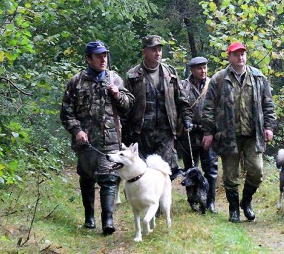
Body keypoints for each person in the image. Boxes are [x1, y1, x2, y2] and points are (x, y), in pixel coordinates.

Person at [60, 41, 135, 234]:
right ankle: (89, 217)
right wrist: (77, 131)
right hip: (85, 142)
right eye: (99, 56)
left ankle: (108, 221)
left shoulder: (114, 78)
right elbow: (66, 112)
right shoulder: (76, 82)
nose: (103, 59)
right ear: (88, 59)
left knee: (109, 179)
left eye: (105, 55)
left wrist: (118, 95)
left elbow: (129, 105)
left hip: (110, 139)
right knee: (87, 179)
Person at [201, 42, 276, 223]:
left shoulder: (258, 77)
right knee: (230, 175)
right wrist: (208, 131)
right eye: (236, 54)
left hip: (253, 133)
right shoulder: (219, 79)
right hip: (228, 135)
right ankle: (233, 209)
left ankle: (246, 202)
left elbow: (268, 104)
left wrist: (269, 126)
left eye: (243, 54)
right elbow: (208, 107)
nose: (240, 57)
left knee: (257, 171)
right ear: (229, 57)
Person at [123, 35, 192, 180]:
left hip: (165, 130)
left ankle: (163, 201)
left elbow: (181, 98)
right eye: (153, 49)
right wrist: (125, 131)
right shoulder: (133, 75)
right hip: (141, 132)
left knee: (165, 170)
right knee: (143, 171)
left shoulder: (170, 73)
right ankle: (146, 201)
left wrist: (186, 118)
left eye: (159, 49)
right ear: (144, 52)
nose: (158, 53)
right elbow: (126, 105)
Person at [177, 56, 219, 213]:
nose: (203, 71)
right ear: (192, 70)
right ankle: (193, 200)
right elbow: (179, 107)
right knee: (190, 169)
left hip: (208, 133)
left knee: (211, 168)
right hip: (189, 134)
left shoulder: (213, 84)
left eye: (205, 67)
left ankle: (210, 202)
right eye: (199, 68)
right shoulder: (183, 86)